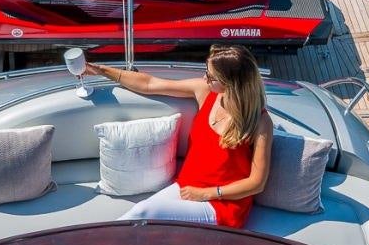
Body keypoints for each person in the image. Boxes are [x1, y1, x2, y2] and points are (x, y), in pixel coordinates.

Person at [85, 45, 274, 228]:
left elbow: (256, 183)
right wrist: (101, 70)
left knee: (143, 212)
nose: (204, 78)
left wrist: (207, 193)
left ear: (231, 83)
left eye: (210, 76)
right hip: (186, 186)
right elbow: (150, 84)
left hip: (222, 204)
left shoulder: (260, 122)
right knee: (138, 219)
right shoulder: (205, 91)